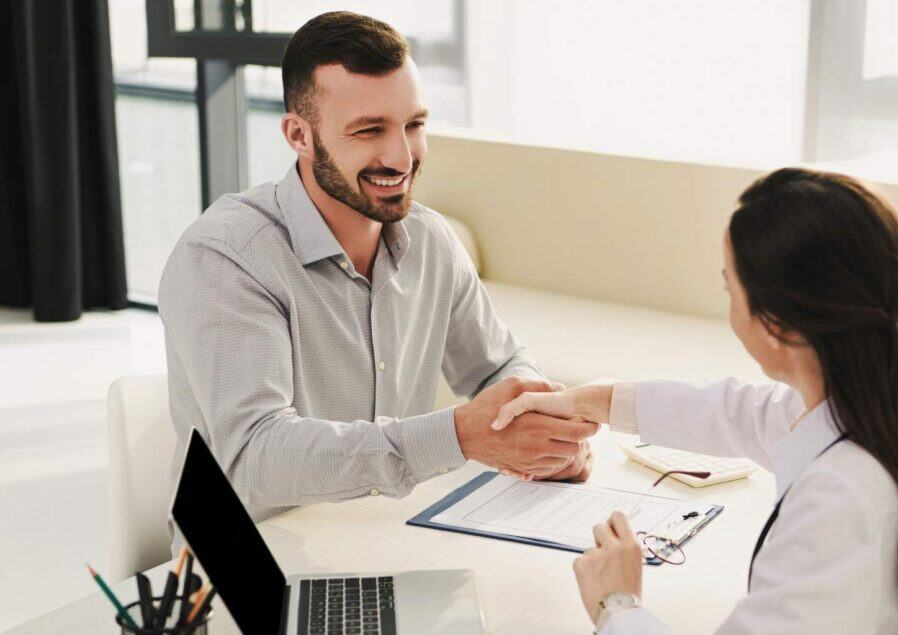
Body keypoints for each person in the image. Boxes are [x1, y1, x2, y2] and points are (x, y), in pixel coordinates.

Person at [492, 168, 898, 633]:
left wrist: (616, 603)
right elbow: (745, 413)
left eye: (731, 290)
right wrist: (596, 400)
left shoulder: (838, 499)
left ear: (773, 324)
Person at [158, 11, 595, 544]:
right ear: (300, 134)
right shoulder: (225, 258)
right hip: (254, 565)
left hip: (389, 538)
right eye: (370, 130)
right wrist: (457, 435)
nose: (401, 156)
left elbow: (498, 367)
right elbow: (257, 457)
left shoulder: (431, 241)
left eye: (413, 125)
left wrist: (542, 429)